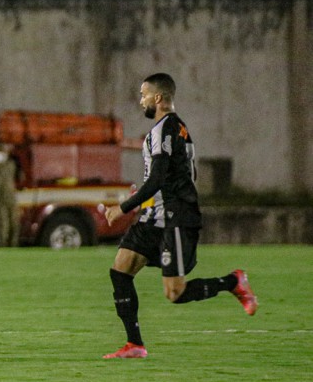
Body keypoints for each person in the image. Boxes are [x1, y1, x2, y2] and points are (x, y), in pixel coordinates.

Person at [101, 73, 257, 359]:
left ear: (158, 98)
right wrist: (148, 197)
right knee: (120, 270)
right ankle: (134, 344)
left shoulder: (167, 129)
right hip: (155, 216)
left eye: (143, 94)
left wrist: (124, 207)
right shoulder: (175, 129)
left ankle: (233, 282)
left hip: (174, 218)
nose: (141, 101)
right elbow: (183, 174)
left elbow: (159, 177)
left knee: (175, 293)